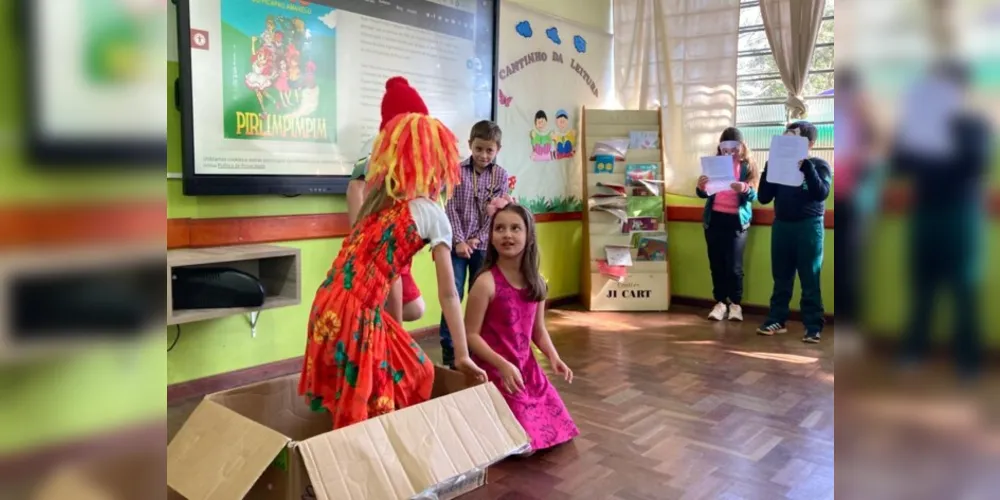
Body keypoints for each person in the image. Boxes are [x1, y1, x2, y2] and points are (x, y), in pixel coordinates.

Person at [299, 107, 487, 429]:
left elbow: (384, 276)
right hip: (356, 316)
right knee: (377, 402)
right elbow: (448, 294)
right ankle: (363, 466)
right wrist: (462, 354)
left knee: (410, 372)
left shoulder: (379, 204)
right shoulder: (431, 213)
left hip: (327, 306)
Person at [890, 60, 990, 379]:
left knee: (964, 288)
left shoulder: (973, 125)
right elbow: (899, 165)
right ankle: (913, 351)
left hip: (960, 215)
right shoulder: (918, 125)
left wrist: (935, 144)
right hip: (926, 214)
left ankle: (968, 360)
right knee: (921, 285)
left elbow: (973, 167)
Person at [464, 201, 579, 453]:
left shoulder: (537, 283)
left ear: (528, 236)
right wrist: (502, 365)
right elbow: (470, 335)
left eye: (516, 228)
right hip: (494, 368)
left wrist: (554, 357)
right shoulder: (485, 283)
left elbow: (538, 330)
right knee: (523, 445)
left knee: (560, 431)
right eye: (500, 229)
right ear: (491, 238)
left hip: (526, 367)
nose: (507, 235)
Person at [345, 78, 428, 323]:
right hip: (379, 232)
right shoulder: (375, 145)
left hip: (401, 232)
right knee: (396, 297)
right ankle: (390, 342)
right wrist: (360, 238)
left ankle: (382, 335)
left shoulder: (415, 146)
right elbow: (355, 188)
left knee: (412, 306)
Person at [439, 120, 510, 368]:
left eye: (489, 150)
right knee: (453, 293)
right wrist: (459, 241)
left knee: (479, 296)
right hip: (457, 246)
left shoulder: (500, 176)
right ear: (470, 145)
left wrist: (476, 238)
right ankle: (450, 349)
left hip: (482, 246)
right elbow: (450, 207)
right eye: (479, 148)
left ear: (497, 149)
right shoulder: (457, 171)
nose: (483, 155)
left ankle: (475, 347)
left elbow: (497, 214)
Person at [756, 121, 832, 343]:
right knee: (781, 276)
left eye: (794, 139)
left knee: (810, 277)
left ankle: (812, 324)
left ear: (809, 144)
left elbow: (821, 194)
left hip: (809, 227)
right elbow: (763, 197)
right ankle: (776, 319)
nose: (788, 142)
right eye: (785, 137)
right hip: (782, 226)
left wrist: (807, 169)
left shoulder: (819, 165)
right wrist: (768, 170)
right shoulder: (777, 165)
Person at [696, 127, 760, 322]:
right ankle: (720, 302)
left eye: (734, 148)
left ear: (742, 147)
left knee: (734, 267)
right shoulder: (713, 164)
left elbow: (755, 195)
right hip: (714, 219)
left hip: (736, 222)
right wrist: (700, 187)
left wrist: (744, 188)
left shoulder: (748, 166)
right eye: (725, 148)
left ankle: (735, 304)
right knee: (716, 264)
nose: (730, 152)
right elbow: (703, 193)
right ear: (720, 148)